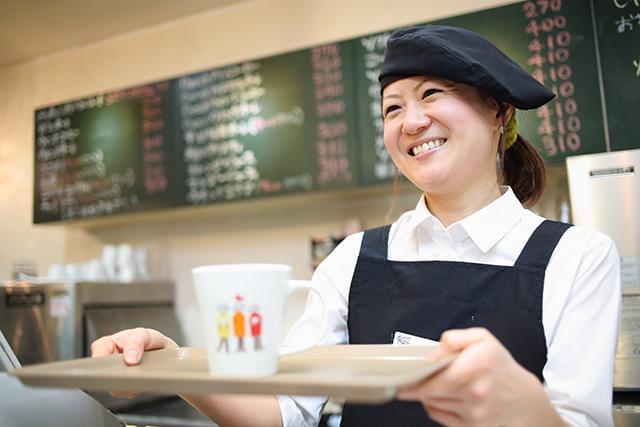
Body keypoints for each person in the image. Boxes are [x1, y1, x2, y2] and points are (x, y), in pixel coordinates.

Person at [91, 25, 621, 426]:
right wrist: (175, 363)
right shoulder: (352, 261)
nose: (411, 122)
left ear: (499, 111)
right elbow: (286, 412)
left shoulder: (578, 257)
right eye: (393, 108)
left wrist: (521, 406)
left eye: (432, 94)